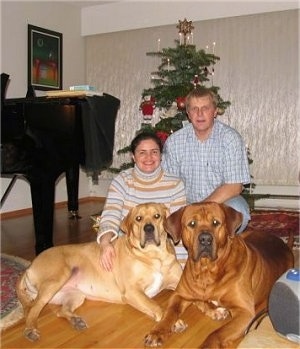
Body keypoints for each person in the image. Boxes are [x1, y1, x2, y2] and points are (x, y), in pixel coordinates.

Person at [162, 86, 251, 233]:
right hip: (186, 204)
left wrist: (200, 209)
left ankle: (223, 249)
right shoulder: (174, 142)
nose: (200, 114)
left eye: (205, 108)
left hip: (221, 203)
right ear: (188, 113)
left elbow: (234, 186)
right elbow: (170, 186)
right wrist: (185, 212)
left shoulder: (230, 139)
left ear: (215, 111)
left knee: (239, 209)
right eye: (194, 109)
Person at [97, 131, 187, 271]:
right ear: (133, 156)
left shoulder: (175, 185)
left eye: (154, 152)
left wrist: (181, 268)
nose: (149, 157)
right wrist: (105, 243)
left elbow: (178, 230)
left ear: (161, 156)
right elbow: (110, 216)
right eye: (142, 152)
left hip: (162, 253)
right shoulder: (122, 181)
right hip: (129, 251)